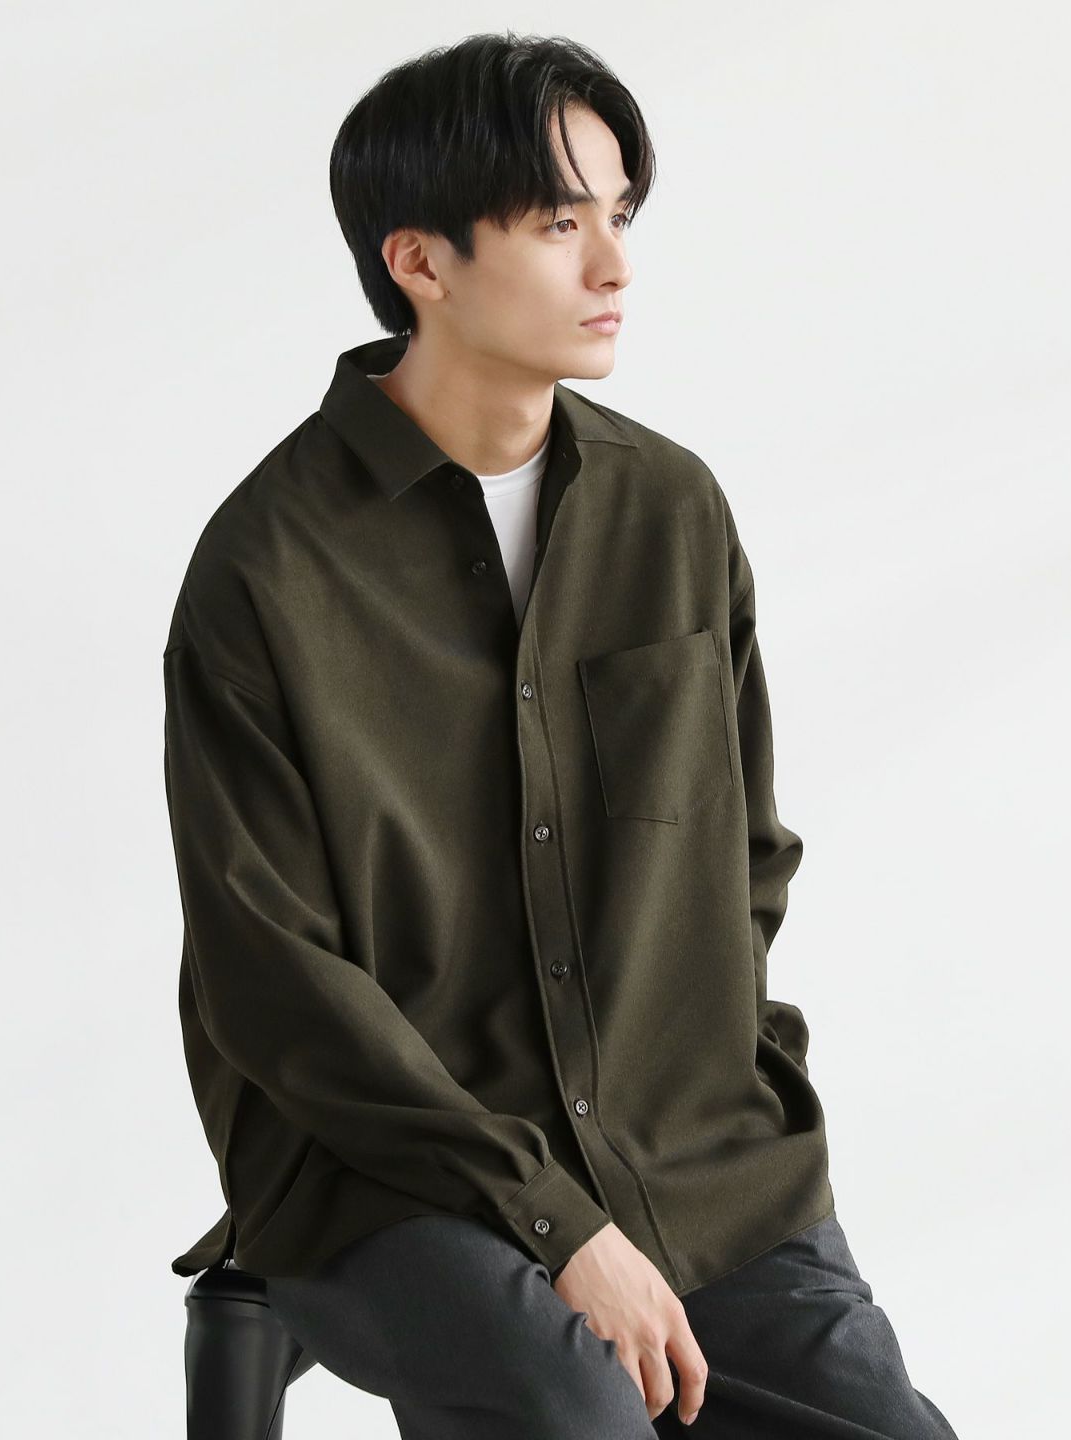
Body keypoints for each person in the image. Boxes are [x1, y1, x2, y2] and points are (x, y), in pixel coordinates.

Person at [161, 29, 960, 1440]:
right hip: (387, 1169)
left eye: (620, 215)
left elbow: (745, 851)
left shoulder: (672, 512)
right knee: (574, 1409)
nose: (615, 267)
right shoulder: (266, 572)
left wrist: (724, 1073)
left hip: (685, 1145)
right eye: (557, 223)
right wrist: (557, 1224)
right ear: (420, 261)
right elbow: (271, 977)